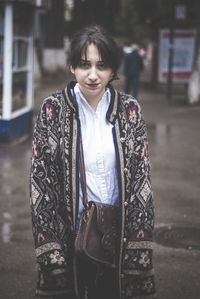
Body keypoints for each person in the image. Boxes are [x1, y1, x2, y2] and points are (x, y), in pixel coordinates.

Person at [30, 25, 156, 299]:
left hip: (117, 242)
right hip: (69, 242)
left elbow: (141, 181)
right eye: (85, 64)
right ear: (73, 66)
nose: (93, 75)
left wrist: (138, 249)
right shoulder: (53, 110)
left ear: (113, 70)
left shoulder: (129, 110)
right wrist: (51, 252)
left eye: (102, 65)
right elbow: (41, 184)